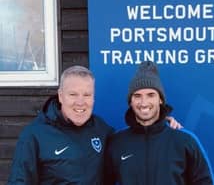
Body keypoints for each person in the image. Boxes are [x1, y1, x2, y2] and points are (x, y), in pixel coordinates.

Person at [7, 65, 182, 184]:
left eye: (87, 95)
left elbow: (133, 141)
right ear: (60, 96)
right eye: (73, 94)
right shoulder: (34, 135)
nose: (80, 102)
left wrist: (159, 125)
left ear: (94, 97)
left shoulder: (102, 130)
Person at [104, 61, 214, 185]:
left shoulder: (185, 141)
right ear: (130, 101)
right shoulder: (117, 143)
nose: (144, 102)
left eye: (151, 95)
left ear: (160, 99)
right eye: (137, 96)